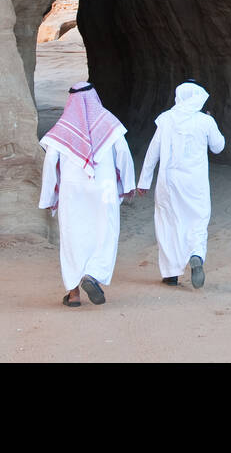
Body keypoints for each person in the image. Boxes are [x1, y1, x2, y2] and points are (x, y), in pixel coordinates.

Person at [39, 81, 135, 307]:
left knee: (72, 236)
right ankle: (93, 274)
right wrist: (128, 184)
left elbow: (50, 161)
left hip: (72, 190)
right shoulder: (109, 124)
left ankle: (73, 294)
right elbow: (123, 153)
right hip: (105, 188)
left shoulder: (63, 128)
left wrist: (48, 196)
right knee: (105, 231)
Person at [136, 80, 225, 288]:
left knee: (168, 223)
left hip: (169, 183)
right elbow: (218, 147)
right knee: (198, 221)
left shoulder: (166, 119)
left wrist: (144, 181)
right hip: (196, 184)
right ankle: (196, 254)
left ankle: (171, 274)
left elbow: (153, 152)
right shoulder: (205, 121)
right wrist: (212, 123)